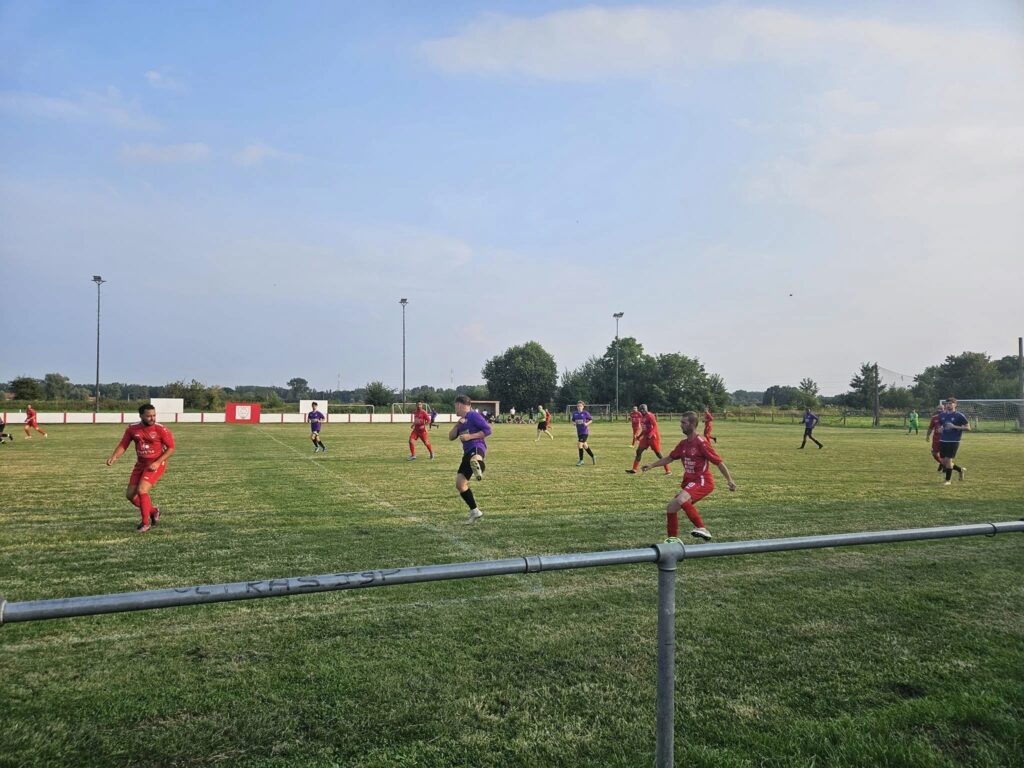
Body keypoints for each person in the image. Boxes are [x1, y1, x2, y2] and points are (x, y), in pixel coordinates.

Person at [643, 411, 737, 542]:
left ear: (693, 424)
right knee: (671, 508)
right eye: (681, 422)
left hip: (703, 481)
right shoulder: (683, 444)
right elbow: (670, 458)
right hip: (691, 482)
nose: (681, 425)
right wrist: (652, 465)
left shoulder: (701, 443)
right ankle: (672, 541)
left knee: (682, 499)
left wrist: (730, 480)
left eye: (684, 422)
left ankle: (702, 528)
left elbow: (718, 462)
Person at [107, 403, 175, 532]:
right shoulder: (132, 429)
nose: (152, 418)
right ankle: (154, 511)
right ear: (141, 416)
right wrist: (114, 457)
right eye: (149, 416)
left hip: (156, 463)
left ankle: (145, 523)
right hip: (140, 464)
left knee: (142, 490)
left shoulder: (161, 429)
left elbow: (171, 448)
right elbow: (123, 444)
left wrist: (158, 462)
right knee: (130, 495)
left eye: (154, 415)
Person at [450, 395, 492, 523]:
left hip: (477, 446)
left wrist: (469, 437)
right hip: (466, 452)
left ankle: (478, 469)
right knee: (460, 484)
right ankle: (475, 511)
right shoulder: (462, 420)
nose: (455, 409)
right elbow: (451, 437)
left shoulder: (473, 415)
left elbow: (488, 430)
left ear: (459, 405)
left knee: (475, 459)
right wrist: (457, 425)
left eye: (455, 406)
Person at [627, 404, 669, 474]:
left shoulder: (650, 415)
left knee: (658, 454)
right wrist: (639, 436)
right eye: (641, 410)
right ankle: (634, 469)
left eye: (643, 409)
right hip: (646, 437)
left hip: (653, 437)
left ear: (646, 409)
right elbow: (644, 429)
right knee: (638, 451)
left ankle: (668, 470)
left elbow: (655, 426)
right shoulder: (642, 417)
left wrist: (651, 434)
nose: (642, 411)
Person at [937, 397, 969, 485]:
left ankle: (948, 480)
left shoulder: (959, 415)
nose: (948, 405)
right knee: (943, 461)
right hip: (943, 440)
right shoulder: (942, 415)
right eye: (947, 403)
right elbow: (940, 425)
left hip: (953, 441)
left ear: (955, 405)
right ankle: (960, 470)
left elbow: (968, 427)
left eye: (950, 403)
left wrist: (954, 427)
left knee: (948, 460)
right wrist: (940, 429)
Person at [571, 401, 596, 465]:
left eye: (581, 406)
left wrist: (586, 424)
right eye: (578, 406)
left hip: (585, 432)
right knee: (585, 445)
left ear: (583, 407)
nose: (579, 407)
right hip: (579, 432)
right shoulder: (575, 413)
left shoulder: (585, 413)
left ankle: (581, 460)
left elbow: (591, 420)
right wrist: (573, 423)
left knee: (579, 444)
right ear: (577, 407)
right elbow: (572, 420)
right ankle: (593, 456)